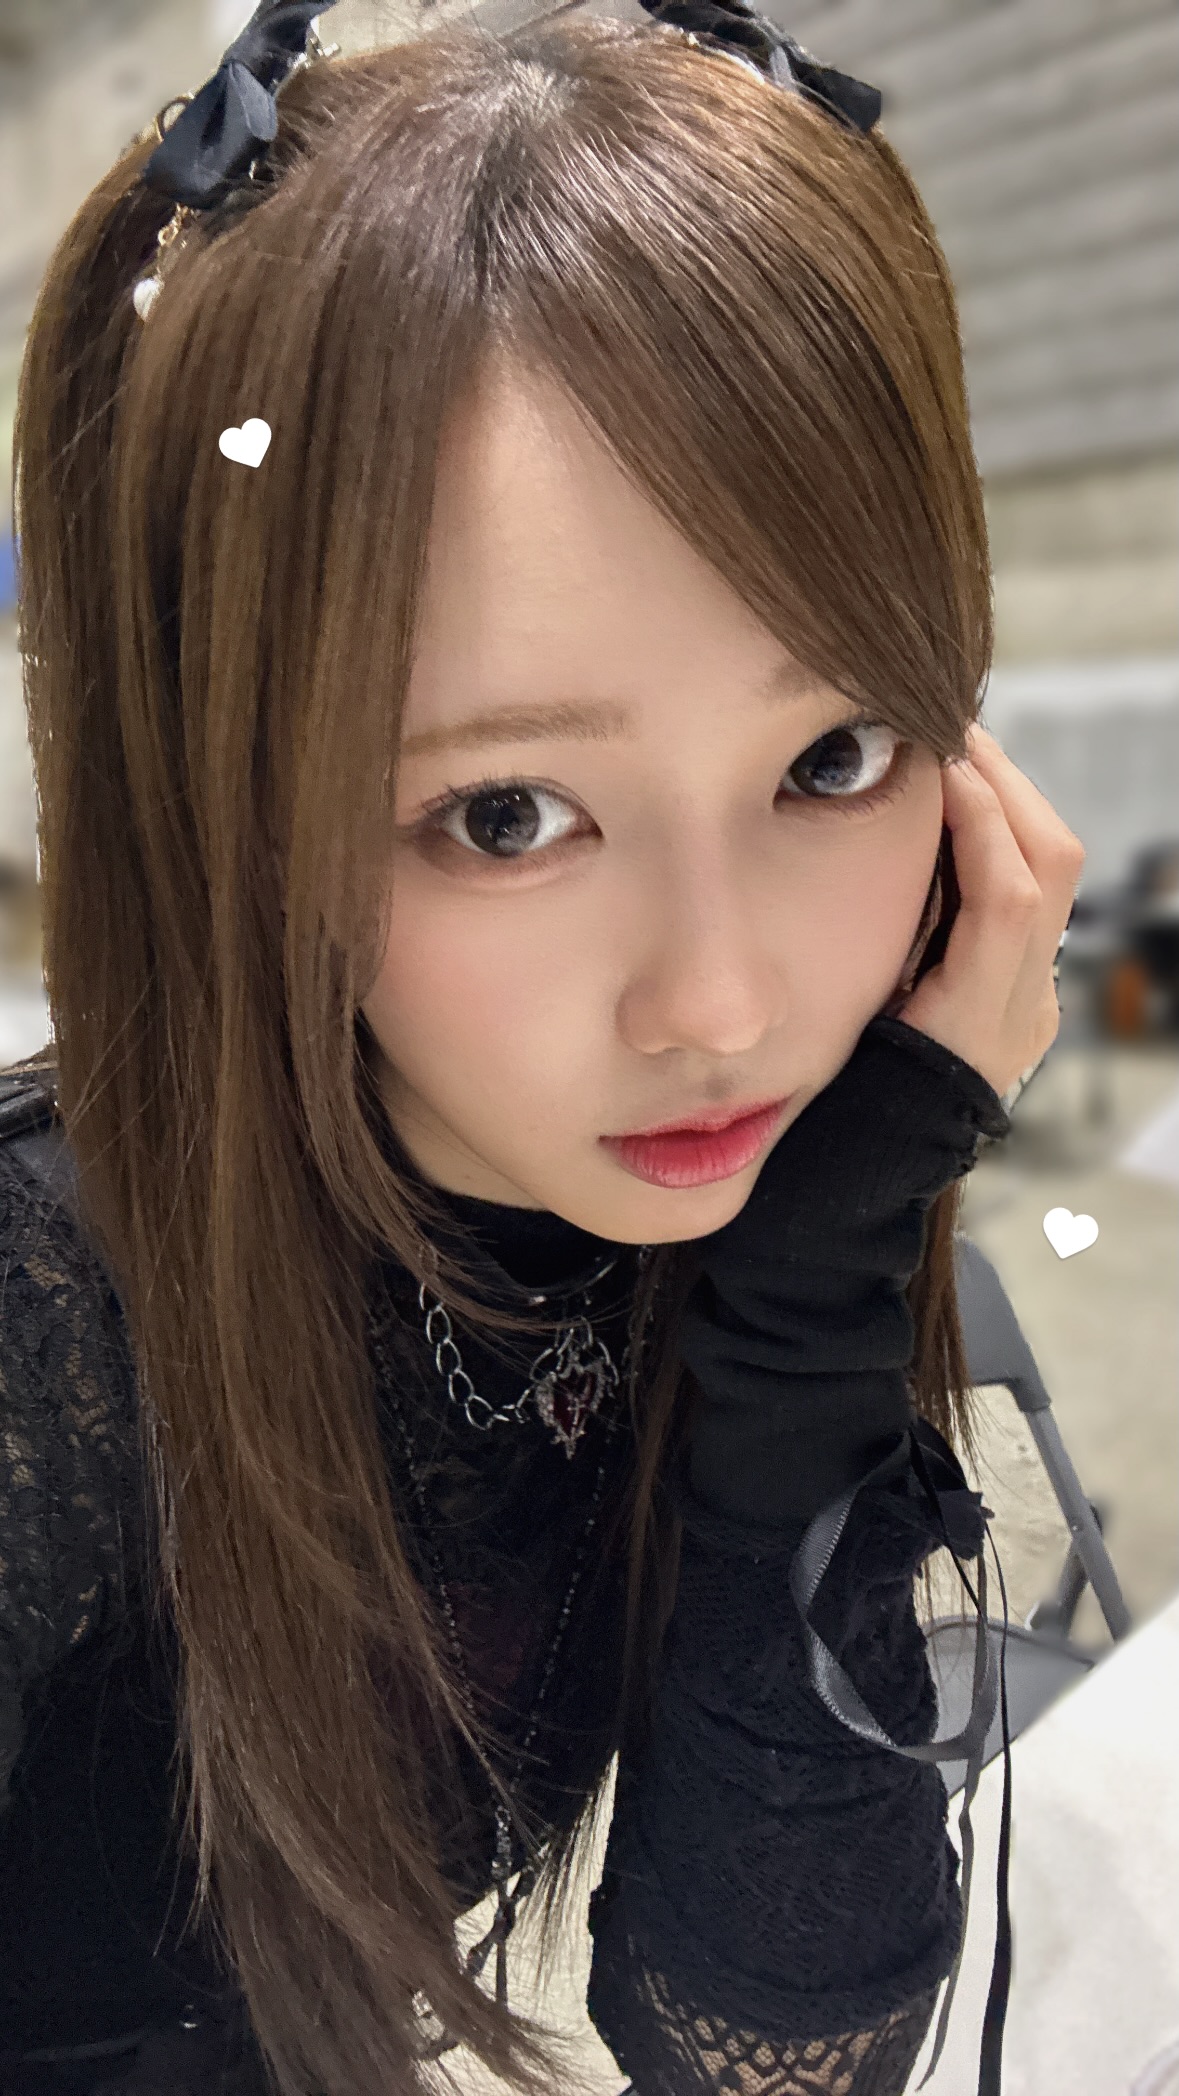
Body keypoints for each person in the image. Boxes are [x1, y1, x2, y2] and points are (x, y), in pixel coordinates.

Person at [0, 2, 1084, 2091]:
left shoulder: (734, 1214)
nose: (723, 1006)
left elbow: (759, 2052)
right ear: (229, 800)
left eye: (833, 756)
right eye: (504, 815)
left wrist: (825, 1268)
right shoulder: (45, 1333)